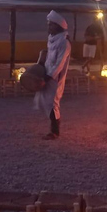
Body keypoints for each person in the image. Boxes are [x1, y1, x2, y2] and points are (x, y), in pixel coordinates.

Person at [35, 10, 72, 140]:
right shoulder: (52, 39)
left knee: (53, 103)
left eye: (51, 24)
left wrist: (48, 77)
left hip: (55, 78)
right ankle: (54, 126)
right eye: (48, 24)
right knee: (44, 101)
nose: (49, 27)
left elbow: (59, 64)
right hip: (47, 74)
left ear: (58, 26)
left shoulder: (64, 42)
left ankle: (55, 131)